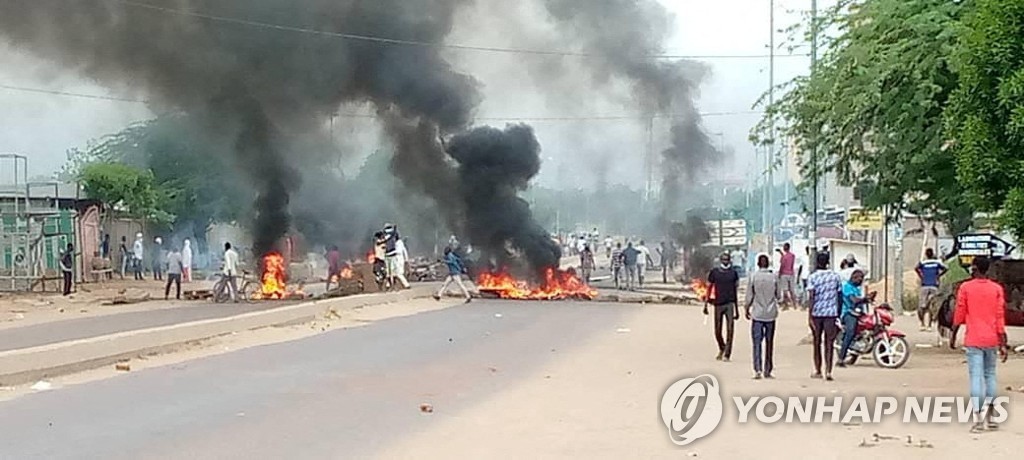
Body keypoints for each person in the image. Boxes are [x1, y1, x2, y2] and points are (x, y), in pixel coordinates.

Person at [954, 256, 1008, 432]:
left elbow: (960, 312)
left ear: (975, 268)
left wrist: (953, 333)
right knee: (990, 375)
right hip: (991, 339)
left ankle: (978, 420)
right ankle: (991, 419)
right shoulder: (996, 289)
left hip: (974, 340)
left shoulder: (966, 288)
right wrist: (1003, 342)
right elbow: (1000, 317)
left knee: (975, 377)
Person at [807, 251, 842, 381]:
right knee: (829, 343)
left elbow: (811, 296)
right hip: (831, 314)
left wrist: (809, 315)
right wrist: (838, 313)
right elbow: (839, 296)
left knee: (817, 342)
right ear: (828, 262)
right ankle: (828, 371)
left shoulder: (813, 277)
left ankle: (818, 370)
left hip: (817, 313)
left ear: (817, 262)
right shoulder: (835, 277)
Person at [745, 254, 780, 379]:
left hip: (757, 314)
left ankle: (757, 369)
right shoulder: (774, 277)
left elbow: (749, 295)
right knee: (769, 342)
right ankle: (768, 370)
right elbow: (778, 295)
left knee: (756, 342)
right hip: (770, 314)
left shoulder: (753, 276)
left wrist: (746, 308)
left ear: (758, 264)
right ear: (768, 264)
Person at [837, 269, 875, 368]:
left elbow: (861, 301)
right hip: (848, 313)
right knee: (850, 332)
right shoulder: (847, 287)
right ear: (853, 278)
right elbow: (853, 300)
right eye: (858, 278)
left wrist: (868, 298)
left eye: (862, 278)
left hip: (857, 313)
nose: (860, 280)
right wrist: (864, 298)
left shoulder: (856, 288)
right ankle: (841, 358)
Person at [708, 252, 740, 361]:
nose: (725, 261)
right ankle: (722, 347)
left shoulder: (733, 273)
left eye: (727, 260)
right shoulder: (715, 272)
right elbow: (709, 287)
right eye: (724, 259)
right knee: (717, 330)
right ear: (721, 260)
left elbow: (735, 291)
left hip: (730, 303)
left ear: (729, 260)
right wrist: (706, 304)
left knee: (730, 329)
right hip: (718, 303)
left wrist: (736, 309)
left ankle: (727, 353)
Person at [916, 248, 949, 331]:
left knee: (922, 306)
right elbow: (946, 268)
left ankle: (922, 324)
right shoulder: (937, 262)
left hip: (925, 285)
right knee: (932, 306)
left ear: (926, 254)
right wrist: (938, 275)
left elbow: (916, 268)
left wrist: (921, 276)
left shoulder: (923, 262)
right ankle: (929, 325)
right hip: (934, 285)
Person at [778, 243, 797, 310]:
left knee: (785, 290)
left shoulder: (784, 257)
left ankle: (786, 305)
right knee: (792, 290)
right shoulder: (792, 256)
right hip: (791, 273)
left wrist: (779, 273)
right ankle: (794, 304)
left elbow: (782, 265)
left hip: (784, 274)